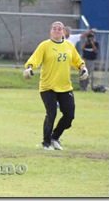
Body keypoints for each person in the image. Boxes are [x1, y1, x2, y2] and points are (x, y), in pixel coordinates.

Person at [23, 21, 88, 150]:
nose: (57, 31)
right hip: (48, 87)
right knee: (51, 113)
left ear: (63, 32)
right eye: (54, 28)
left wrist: (83, 69)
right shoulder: (45, 45)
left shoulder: (69, 46)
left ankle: (55, 137)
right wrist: (29, 68)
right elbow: (34, 59)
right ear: (50, 31)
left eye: (60, 29)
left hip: (65, 87)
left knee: (69, 115)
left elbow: (77, 61)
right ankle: (46, 143)